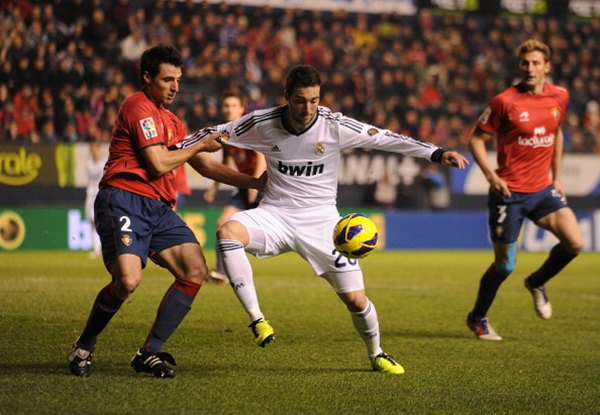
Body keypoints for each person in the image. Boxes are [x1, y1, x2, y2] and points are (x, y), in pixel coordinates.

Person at [179, 65, 469, 374]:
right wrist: (175, 147)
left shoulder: (334, 125)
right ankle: (257, 319)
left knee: (356, 301)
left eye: (314, 100)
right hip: (275, 214)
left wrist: (436, 153)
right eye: (301, 100)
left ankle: (377, 353)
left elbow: (384, 138)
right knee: (227, 233)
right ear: (287, 97)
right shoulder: (262, 123)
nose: (308, 109)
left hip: (323, 224)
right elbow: (214, 132)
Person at [67, 45, 265, 378]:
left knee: (194, 270)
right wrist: (200, 144)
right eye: (166, 79)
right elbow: (157, 163)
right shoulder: (137, 107)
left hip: (158, 207)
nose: (174, 87)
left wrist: (256, 182)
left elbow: (205, 167)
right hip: (124, 198)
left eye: (178, 79)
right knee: (128, 281)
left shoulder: (172, 121)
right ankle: (84, 345)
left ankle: (149, 353)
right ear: (147, 77)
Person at [466, 39, 583, 341]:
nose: (529, 68)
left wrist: (557, 177)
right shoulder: (504, 102)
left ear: (547, 66)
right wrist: (491, 175)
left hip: (543, 189)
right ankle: (477, 318)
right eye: (524, 63)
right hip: (510, 194)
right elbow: (475, 140)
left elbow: (556, 133)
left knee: (575, 243)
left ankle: (536, 282)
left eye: (535, 63)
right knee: (505, 265)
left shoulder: (560, 97)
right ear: (519, 67)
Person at [203, 92, 266, 284]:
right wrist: (214, 188)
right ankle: (221, 272)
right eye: (226, 105)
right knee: (222, 222)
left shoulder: (248, 130)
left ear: (241, 109)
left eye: (233, 105)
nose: (229, 109)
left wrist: (254, 184)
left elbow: (262, 157)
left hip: (261, 184)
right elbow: (225, 162)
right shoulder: (226, 134)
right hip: (244, 185)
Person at [84, 140, 107, 259]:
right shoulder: (88, 163)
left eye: (95, 149)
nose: (94, 152)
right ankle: (96, 249)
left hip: (101, 194)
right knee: (92, 222)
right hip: (91, 195)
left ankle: (105, 248)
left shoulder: (104, 163)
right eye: (92, 150)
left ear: (99, 149)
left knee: (103, 221)